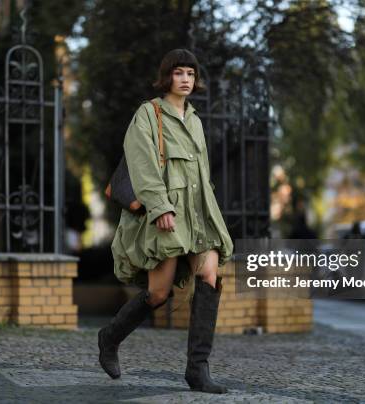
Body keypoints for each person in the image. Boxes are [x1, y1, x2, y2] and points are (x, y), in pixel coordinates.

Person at [99, 49, 234, 394]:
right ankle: (109, 337)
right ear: (166, 77)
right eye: (179, 73)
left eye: (190, 73)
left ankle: (198, 370)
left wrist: (212, 217)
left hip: (198, 216)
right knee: (159, 293)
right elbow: (143, 164)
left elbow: (203, 177)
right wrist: (160, 207)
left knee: (209, 275)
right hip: (168, 215)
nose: (186, 79)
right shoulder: (149, 114)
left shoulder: (196, 121)